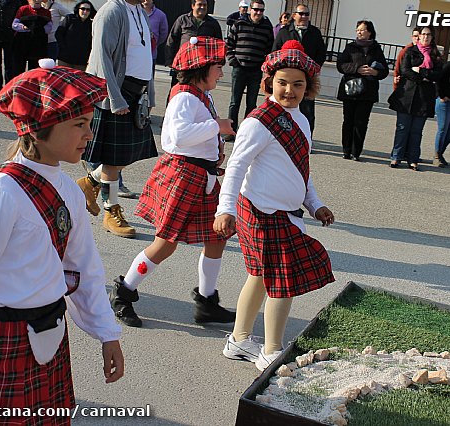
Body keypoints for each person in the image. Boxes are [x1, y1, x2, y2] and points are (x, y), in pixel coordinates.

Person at [0, 62, 124, 425]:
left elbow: (82, 268)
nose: (89, 133)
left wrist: (107, 333)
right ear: (37, 130)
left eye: (88, 122)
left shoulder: (68, 189)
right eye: (78, 124)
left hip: (51, 338)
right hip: (1, 344)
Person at [215, 40, 335, 371]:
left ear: (308, 87)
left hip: (285, 214)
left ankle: (239, 340)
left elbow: (301, 170)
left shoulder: (303, 121)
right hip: (259, 212)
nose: (289, 90)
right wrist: (224, 210)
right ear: (270, 82)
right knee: (282, 279)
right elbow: (236, 167)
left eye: (298, 84)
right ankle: (271, 350)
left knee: (259, 277)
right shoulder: (258, 121)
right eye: (282, 82)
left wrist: (315, 203)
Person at [109, 36, 237, 328]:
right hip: (183, 176)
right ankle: (124, 292)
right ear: (201, 68)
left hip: (202, 176)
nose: (221, 71)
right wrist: (216, 126)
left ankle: (207, 302)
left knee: (217, 237)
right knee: (165, 243)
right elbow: (174, 139)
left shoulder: (200, 94)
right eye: (218, 66)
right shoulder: (184, 96)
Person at [76, 0, 157, 238]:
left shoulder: (140, 12)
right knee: (113, 161)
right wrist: (115, 98)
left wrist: (149, 94)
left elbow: (145, 56)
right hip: (119, 94)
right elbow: (103, 59)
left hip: (135, 94)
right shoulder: (111, 12)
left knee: (125, 156)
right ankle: (111, 210)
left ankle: (89, 182)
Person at [387, 25, 442, 171]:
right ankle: (396, 157)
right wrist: (423, 77)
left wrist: (422, 71)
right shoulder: (411, 51)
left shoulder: (436, 55)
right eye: (423, 34)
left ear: (432, 37)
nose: (425, 37)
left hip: (424, 98)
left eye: (428, 35)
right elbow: (405, 71)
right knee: (402, 128)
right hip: (407, 95)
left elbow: (438, 74)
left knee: (417, 130)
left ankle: (413, 159)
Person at [336, 19, 388, 161]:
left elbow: (384, 70)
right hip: (350, 89)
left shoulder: (376, 49)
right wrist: (356, 69)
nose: (359, 32)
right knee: (348, 121)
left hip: (368, 92)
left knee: (361, 122)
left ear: (370, 32)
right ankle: (346, 149)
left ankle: (356, 151)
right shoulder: (350, 47)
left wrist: (375, 72)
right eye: (357, 30)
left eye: (362, 30)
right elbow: (341, 65)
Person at [271, 3, 326, 134]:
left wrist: (311, 70)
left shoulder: (315, 33)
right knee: (283, 109)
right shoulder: (284, 32)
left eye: (306, 14)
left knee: (307, 112)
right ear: (294, 15)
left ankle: (306, 139)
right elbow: (275, 53)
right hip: (286, 78)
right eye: (301, 13)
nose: (304, 17)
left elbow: (321, 54)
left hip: (306, 79)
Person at [225, 0, 273, 138]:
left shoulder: (267, 28)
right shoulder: (239, 24)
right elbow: (229, 44)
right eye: (256, 9)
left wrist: (264, 66)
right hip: (239, 69)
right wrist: (233, 61)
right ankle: (231, 131)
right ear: (250, 9)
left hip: (256, 71)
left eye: (261, 10)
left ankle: (246, 132)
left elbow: (269, 49)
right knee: (234, 102)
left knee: (251, 103)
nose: (258, 13)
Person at [165, 0, 222, 95]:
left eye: (205, 5)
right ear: (192, 5)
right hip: (183, 66)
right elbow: (172, 40)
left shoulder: (213, 24)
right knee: (177, 92)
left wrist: (216, 65)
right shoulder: (182, 20)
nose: (203, 7)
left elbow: (219, 45)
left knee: (199, 93)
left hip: (202, 68)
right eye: (200, 5)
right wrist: (170, 61)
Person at [11, 0, 52, 76]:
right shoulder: (23, 9)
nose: (36, 0)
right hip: (22, 43)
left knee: (34, 71)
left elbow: (49, 28)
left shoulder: (46, 12)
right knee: (18, 69)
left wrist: (37, 29)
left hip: (38, 45)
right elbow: (14, 25)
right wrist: (24, 27)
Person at [55, 0, 96, 71]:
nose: (85, 11)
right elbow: (58, 34)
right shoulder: (69, 19)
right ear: (78, 9)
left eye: (88, 10)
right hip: (65, 58)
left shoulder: (92, 24)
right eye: (83, 9)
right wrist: (63, 48)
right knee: (64, 80)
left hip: (81, 61)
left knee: (78, 81)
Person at [142, 0, 167, 114]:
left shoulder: (160, 15)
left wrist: (154, 44)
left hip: (150, 56)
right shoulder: (135, 11)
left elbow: (163, 34)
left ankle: (146, 113)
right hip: (133, 56)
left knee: (148, 86)